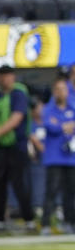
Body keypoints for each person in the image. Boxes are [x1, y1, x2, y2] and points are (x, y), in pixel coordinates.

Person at [0, 65, 35, 231]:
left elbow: (15, 119)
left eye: (8, 75)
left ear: (13, 76)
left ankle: (29, 220)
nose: (5, 79)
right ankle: (0, 221)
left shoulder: (18, 94)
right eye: (2, 76)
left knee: (19, 184)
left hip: (16, 145)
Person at [39, 77, 75, 235]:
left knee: (71, 193)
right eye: (58, 89)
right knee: (51, 192)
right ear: (54, 92)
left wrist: (64, 125)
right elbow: (50, 126)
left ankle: (70, 222)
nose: (61, 92)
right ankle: (46, 224)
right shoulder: (48, 109)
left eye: (64, 89)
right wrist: (66, 125)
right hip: (54, 157)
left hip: (71, 158)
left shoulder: (72, 107)